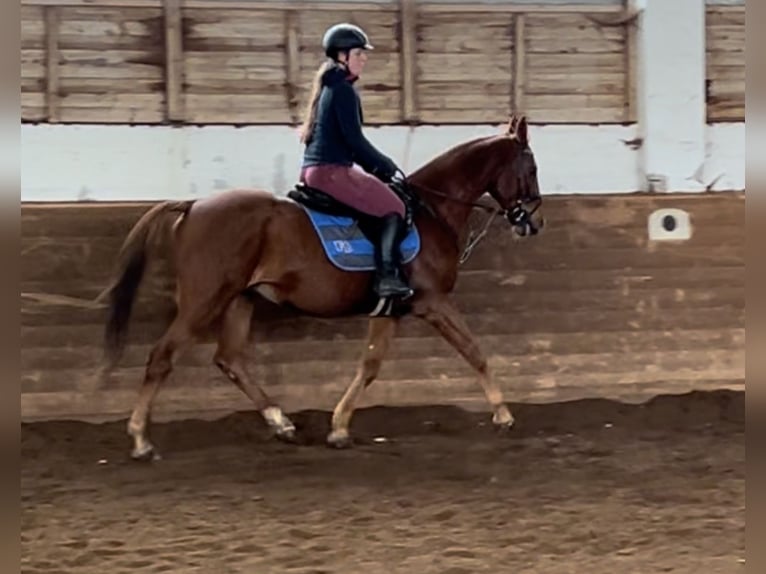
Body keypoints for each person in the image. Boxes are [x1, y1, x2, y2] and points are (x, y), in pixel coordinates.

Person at [298, 23, 413, 300]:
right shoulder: (343, 91)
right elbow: (355, 142)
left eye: (363, 53)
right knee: (395, 207)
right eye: (359, 53)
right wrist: (386, 166)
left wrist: (376, 168)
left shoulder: (332, 85)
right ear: (341, 56)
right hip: (332, 172)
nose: (364, 58)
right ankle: (386, 277)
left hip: (317, 170)